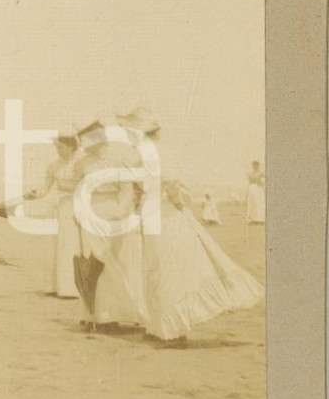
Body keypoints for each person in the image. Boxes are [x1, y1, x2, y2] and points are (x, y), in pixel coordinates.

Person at [128, 112, 264, 345]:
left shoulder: (152, 155)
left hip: (162, 214)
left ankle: (171, 328)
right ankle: (160, 326)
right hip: (155, 215)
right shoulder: (145, 155)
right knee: (159, 267)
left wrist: (178, 204)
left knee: (166, 268)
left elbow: (169, 184)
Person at [72, 117, 147, 330]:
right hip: (91, 214)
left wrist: (120, 213)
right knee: (97, 263)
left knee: (118, 262)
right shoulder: (82, 162)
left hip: (116, 213)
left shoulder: (118, 157)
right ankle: (95, 315)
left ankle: (114, 313)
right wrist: (77, 212)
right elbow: (78, 190)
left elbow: (126, 187)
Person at [25, 133, 81, 298]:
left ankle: (71, 288)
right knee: (54, 244)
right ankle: (55, 286)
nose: (58, 150)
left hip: (77, 205)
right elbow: (46, 188)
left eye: (61, 147)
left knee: (71, 245)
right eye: (56, 147)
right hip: (59, 207)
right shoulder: (54, 165)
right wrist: (35, 194)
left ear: (72, 147)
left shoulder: (81, 164)